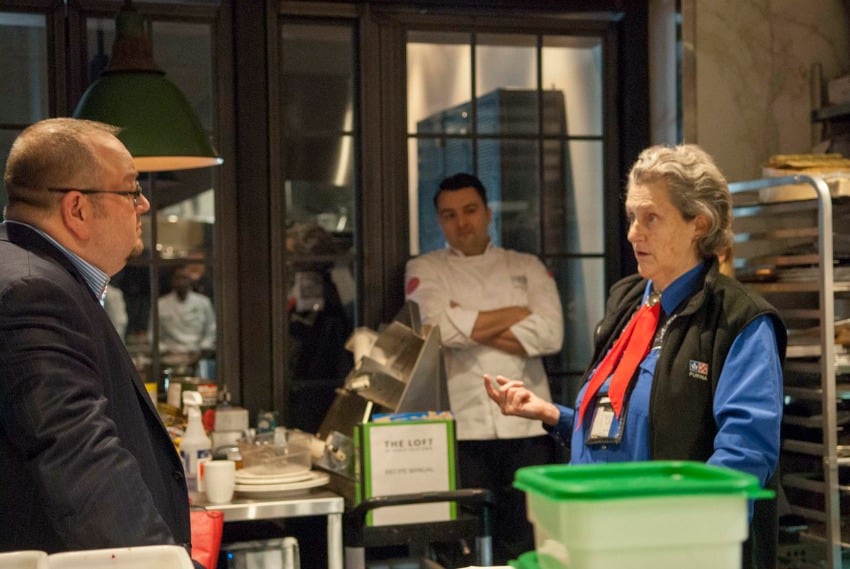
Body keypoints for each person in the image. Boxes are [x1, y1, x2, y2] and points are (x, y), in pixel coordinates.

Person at [483, 144, 785, 569]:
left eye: (651, 218)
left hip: (673, 550)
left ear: (698, 223)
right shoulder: (626, 301)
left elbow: (745, 455)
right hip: (596, 538)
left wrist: (671, 535)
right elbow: (622, 428)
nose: (633, 233)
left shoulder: (739, 320)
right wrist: (555, 415)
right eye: (631, 217)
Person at [0, 118, 197, 559]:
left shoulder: (34, 274)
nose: (144, 204)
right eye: (131, 191)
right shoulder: (32, 292)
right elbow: (82, 465)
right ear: (78, 209)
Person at [404, 172, 564, 564]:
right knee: (458, 546)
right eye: (450, 214)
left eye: (471, 210)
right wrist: (518, 314)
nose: (463, 222)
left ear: (488, 212)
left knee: (525, 542)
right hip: (462, 427)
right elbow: (437, 329)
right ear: (440, 221)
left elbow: (551, 335)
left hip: (527, 427)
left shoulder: (525, 264)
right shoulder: (425, 267)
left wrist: (466, 322)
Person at [285, 222, 353, 434]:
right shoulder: (310, 293)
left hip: (316, 391)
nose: (285, 263)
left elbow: (308, 346)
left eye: (289, 255)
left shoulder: (322, 298)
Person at [157, 264, 217, 371]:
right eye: (177, 278)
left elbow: (211, 330)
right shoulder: (161, 304)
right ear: (172, 280)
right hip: (169, 358)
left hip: (197, 357)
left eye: (184, 278)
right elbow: (153, 336)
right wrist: (166, 350)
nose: (181, 282)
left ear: (190, 280)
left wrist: (201, 351)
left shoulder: (203, 302)